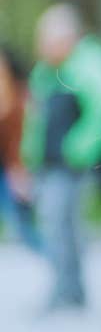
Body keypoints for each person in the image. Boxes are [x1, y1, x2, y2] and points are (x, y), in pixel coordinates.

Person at [20, 4, 101, 312]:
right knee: (56, 226)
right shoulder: (46, 73)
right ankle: (68, 288)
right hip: (48, 164)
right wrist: (29, 155)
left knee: (64, 225)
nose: (44, 47)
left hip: (73, 165)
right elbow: (35, 119)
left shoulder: (90, 64)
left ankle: (69, 290)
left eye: (48, 40)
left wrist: (78, 146)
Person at [0, 47, 41, 252]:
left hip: (13, 171)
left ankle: (57, 267)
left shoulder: (20, 97)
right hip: (6, 169)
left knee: (26, 228)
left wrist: (20, 169)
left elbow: (23, 138)